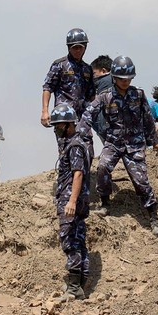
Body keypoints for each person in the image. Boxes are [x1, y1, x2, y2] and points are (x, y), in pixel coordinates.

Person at [94, 56, 158, 236]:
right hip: (114, 143)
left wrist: (154, 142)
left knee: (140, 180)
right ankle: (105, 203)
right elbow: (89, 113)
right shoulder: (105, 96)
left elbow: (148, 120)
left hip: (134, 144)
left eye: (128, 79)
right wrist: (80, 129)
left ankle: (153, 216)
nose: (125, 82)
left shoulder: (138, 95)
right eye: (122, 79)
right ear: (114, 78)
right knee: (102, 167)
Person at [50, 104, 92, 301]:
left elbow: (78, 174)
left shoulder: (75, 145)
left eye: (59, 126)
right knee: (78, 238)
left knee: (69, 240)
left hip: (71, 198)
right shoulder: (74, 142)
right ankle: (80, 284)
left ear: (68, 125)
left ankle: (74, 287)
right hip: (76, 198)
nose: (56, 130)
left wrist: (71, 201)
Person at [41, 28, 95, 128]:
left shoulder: (88, 69)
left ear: (85, 48)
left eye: (80, 47)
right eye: (75, 48)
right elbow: (47, 88)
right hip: (63, 116)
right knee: (66, 143)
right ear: (69, 48)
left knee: (85, 143)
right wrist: (45, 111)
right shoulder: (60, 65)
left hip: (83, 118)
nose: (78, 51)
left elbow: (91, 95)